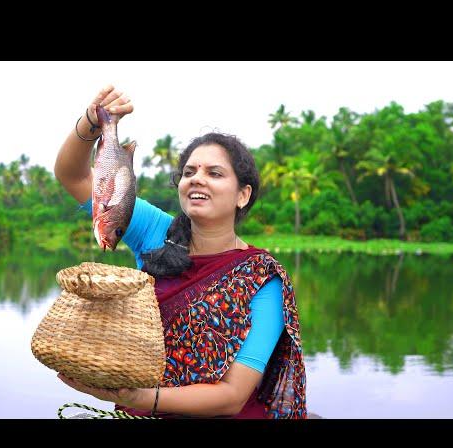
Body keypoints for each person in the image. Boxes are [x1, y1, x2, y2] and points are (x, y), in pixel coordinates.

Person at [54, 85, 307, 419]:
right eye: (189, 172)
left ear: (242, 195)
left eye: (214, 173)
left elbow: (232, 396)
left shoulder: (263, 278)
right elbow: (72, 176)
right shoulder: (155, 232)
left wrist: (140, 398)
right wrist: (91, 122)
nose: (197, 179)